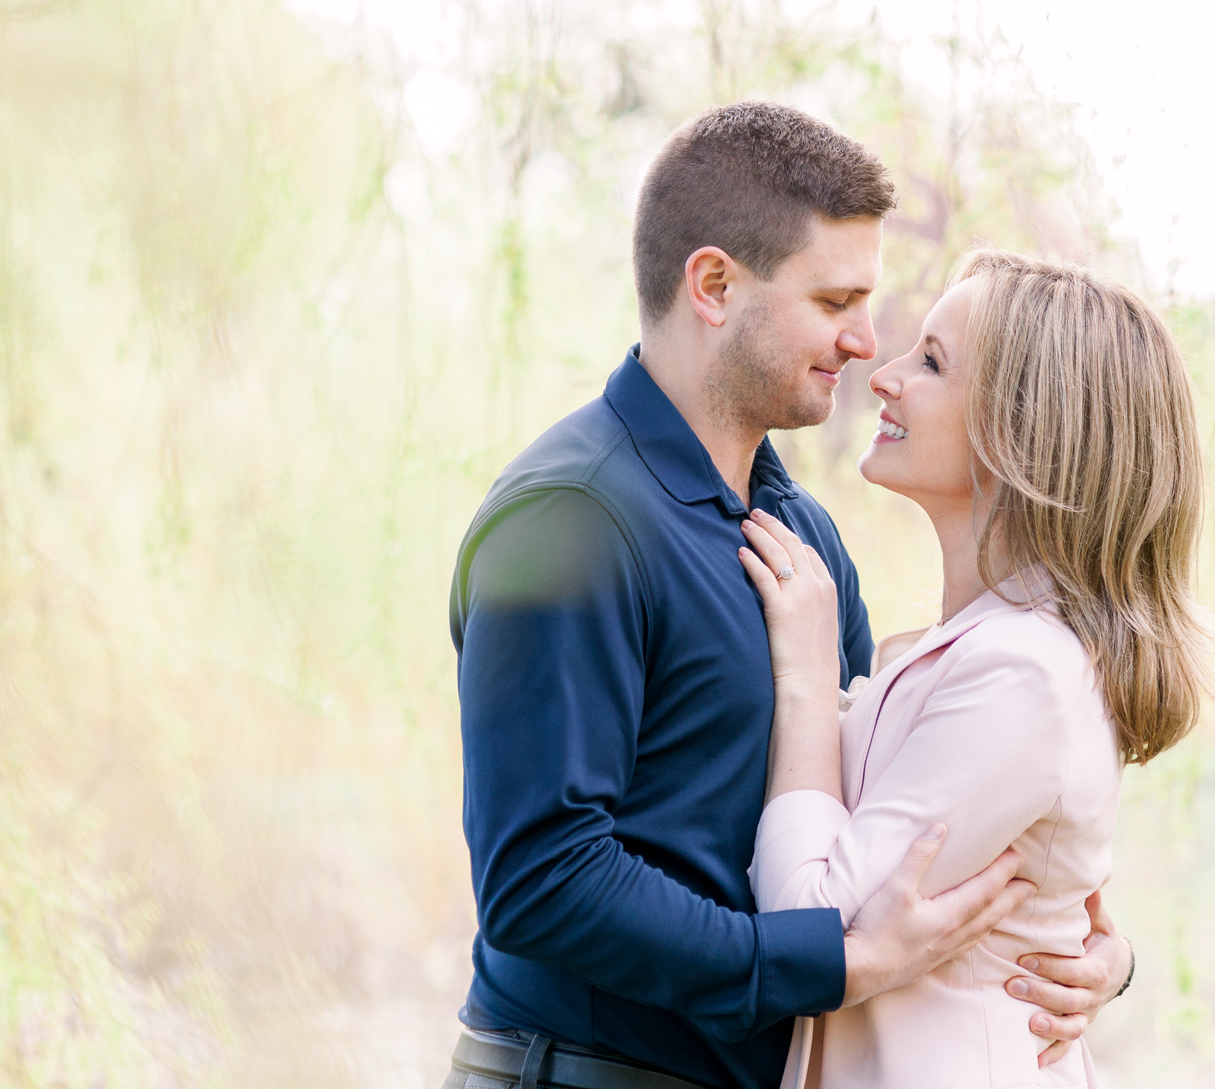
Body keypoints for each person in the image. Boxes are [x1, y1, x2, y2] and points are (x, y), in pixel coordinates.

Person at [446, 105, 1134, 1089]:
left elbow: (883, 812)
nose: (865, 341)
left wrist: (1087, 945)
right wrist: (827, 965)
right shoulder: (569, 519)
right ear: (714, 285)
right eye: (836, 299)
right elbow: (543, 879)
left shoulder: (803, 537)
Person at [740, 249, 1215, 1088]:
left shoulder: (1024, 671)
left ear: (1022, 428)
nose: (883, 377)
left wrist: (810, 685)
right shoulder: (977, 649)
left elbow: (808, 925)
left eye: (931, 361)